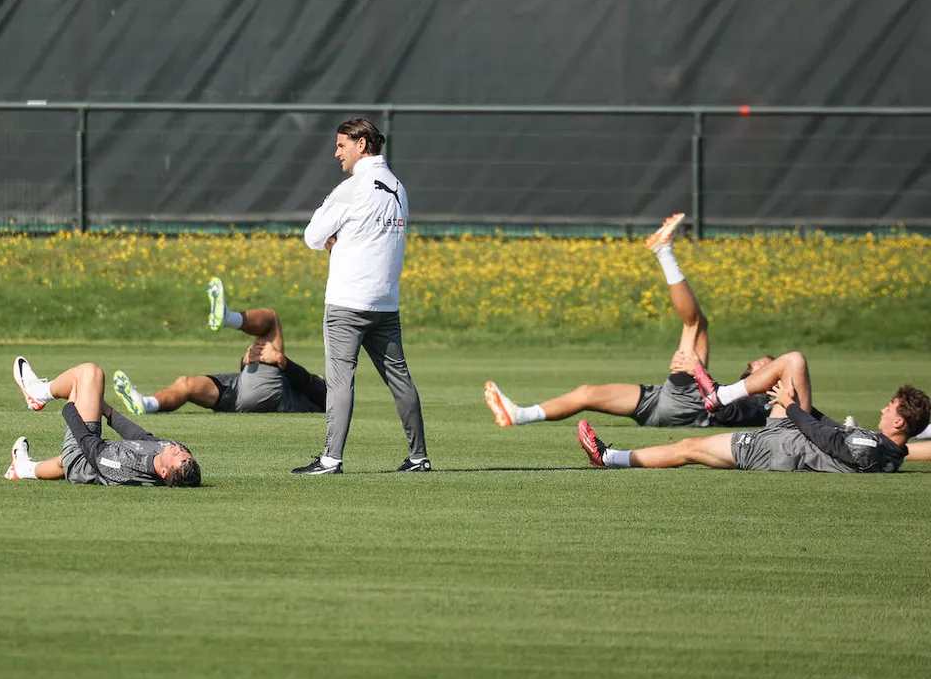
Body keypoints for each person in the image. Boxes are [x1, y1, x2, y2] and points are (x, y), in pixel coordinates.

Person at [484, 213, 771, 430]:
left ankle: (664, 251)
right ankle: (519, 415)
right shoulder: (756, 394)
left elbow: (727, 413)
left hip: (691, 407)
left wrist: (697, 371)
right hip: (664, 402)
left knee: (695, 324)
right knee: (587, 393)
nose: (755, 363)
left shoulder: (767, 404)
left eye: (766, 363)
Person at [294, 116, 430, 475]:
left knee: (340, 381)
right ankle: (419, 458)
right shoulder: (399, 187)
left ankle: (331, 459)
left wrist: (331, 239)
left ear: (362, 145)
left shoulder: (352, 188)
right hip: (385, 302)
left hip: (347, 303)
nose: (336, 153)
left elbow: (311, 235)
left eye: (341, 145)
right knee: (400, 380)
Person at [576, 350, 929, 473]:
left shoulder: (874, 449)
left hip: (783, 449)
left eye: (890, 407)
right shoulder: (888, 450)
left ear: (899, 421)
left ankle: (608, 457)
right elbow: (828, 431)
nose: (883, 408)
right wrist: (791, 403)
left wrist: (791, 406)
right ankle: (719, 395)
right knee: (792, 362)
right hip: (793, 436)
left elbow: (827, 440)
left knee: (689, 448)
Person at [112, 277, 326, 415]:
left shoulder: (322, 394)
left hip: (273, 398)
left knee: (271, 318)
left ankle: (229, 318)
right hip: (239, 395)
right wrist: (246, 362)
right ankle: (147, 404)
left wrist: (282, 361)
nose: (322, 377)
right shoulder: (301, 382)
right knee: (187, 384)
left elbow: (312, 385)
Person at [5, 356, 201, 487]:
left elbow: (91, 447)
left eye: (179, 457)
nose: (178, 449)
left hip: (83, 455)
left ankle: (38, 393)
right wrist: (107, 410)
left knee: (90, 373)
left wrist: (70, 406)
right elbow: (142, 438)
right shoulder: (169, 450)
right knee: (64, 463)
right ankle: (23, 469)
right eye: (186, 454)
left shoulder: (128, 466)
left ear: (164, 472)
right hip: (95, 454)